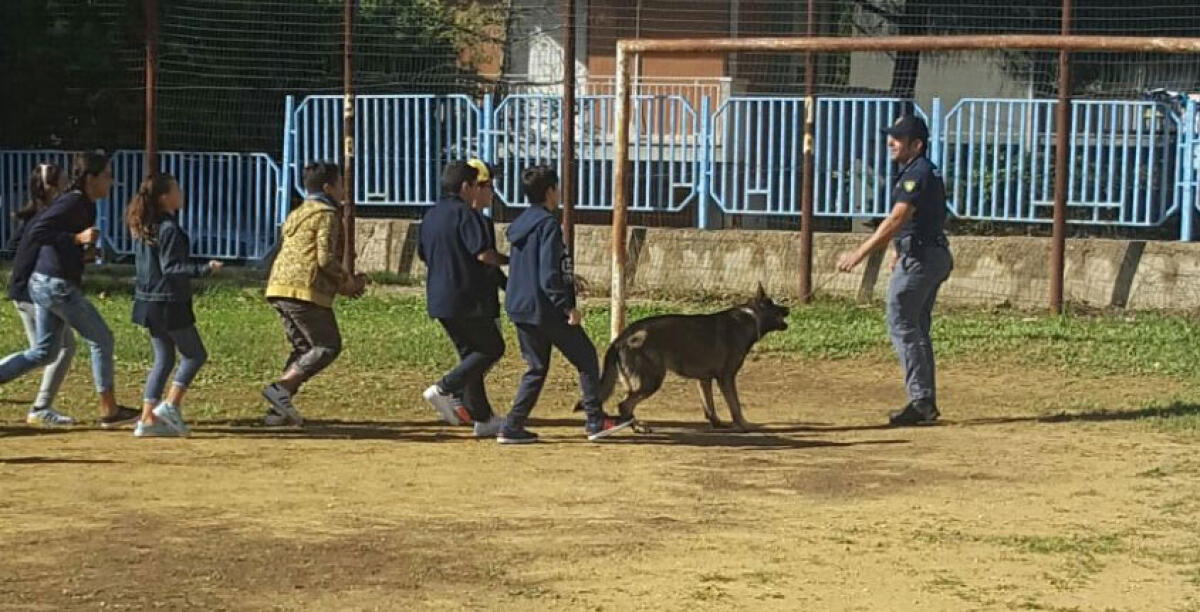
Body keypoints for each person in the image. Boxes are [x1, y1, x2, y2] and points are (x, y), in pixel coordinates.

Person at [0, 151, 139, 427]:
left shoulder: (84, 203)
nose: (111, 182)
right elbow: (38, 230)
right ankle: (109, 409)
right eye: (107, 177)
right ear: (91, 178)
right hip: (55, 285)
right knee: (102, 339)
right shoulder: (73, 202)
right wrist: (76, 238)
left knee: (46, 352)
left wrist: (81, 251)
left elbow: (58, 240)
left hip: (46, 282)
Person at [497, 165, 634, 444]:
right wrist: (566, 306)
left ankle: (512, 425)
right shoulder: (547, 225)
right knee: (585, 357)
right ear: (549, 191)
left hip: (520, 306)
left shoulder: (521, 224)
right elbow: (548, 273)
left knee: (536, 368)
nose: (558, 194)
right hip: (545, 308)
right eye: (556, 189)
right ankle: (595, 420)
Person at [836, 115, 953, 426]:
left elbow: (897, 218)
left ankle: (921, 401)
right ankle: (924, 399)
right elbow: (915, 219)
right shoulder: (918, 171)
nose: (891, 142)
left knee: (901, 322)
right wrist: (896, 250)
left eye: (898, 139)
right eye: (891, 136)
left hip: (922, 258)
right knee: (916, 325)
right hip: (926, 254)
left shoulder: (916, 173)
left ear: (917, 145)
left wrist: (859, 254)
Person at [261, 162, 366, 426]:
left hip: (278, 287)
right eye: (341, 184)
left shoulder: (299, 212)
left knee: (303, 348)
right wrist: (347, 282)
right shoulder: (326, 214)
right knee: (327, 345)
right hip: (304, 290)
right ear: (328, 188)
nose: (344, 190)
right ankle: (282, 389)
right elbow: (324, 259)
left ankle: (278, 410)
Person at [126, 173, 223, 437]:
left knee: (165, 359)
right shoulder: (167, 228)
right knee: (195, 355)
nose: (181, 193)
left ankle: (147, 420)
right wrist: (205, 269)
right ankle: (170, 405)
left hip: (148, 302)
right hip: (168, 302)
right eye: (176, 189)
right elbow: (172, 268)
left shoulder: (147, 226)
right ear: (164, 197)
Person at [418, 160, 508, 438]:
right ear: (466, 186)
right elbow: (483, 255)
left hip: (439, 298)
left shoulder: (431, 216)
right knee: (492, 348)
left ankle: (483, 418)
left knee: (471, 355)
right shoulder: (466, 215)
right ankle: (445, 388)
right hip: (466, 298)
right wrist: (512, 261)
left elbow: (422, 254)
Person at [5, 163, 77, 426]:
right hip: (31, 293)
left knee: (49, 350)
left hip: (27, 290)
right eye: (62, 179)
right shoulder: (45, 217)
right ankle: (40, 408)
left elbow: (15, 247)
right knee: (52, 350)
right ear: (50, 187)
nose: (67, 181)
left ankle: (41, 407)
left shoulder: (40, 215)